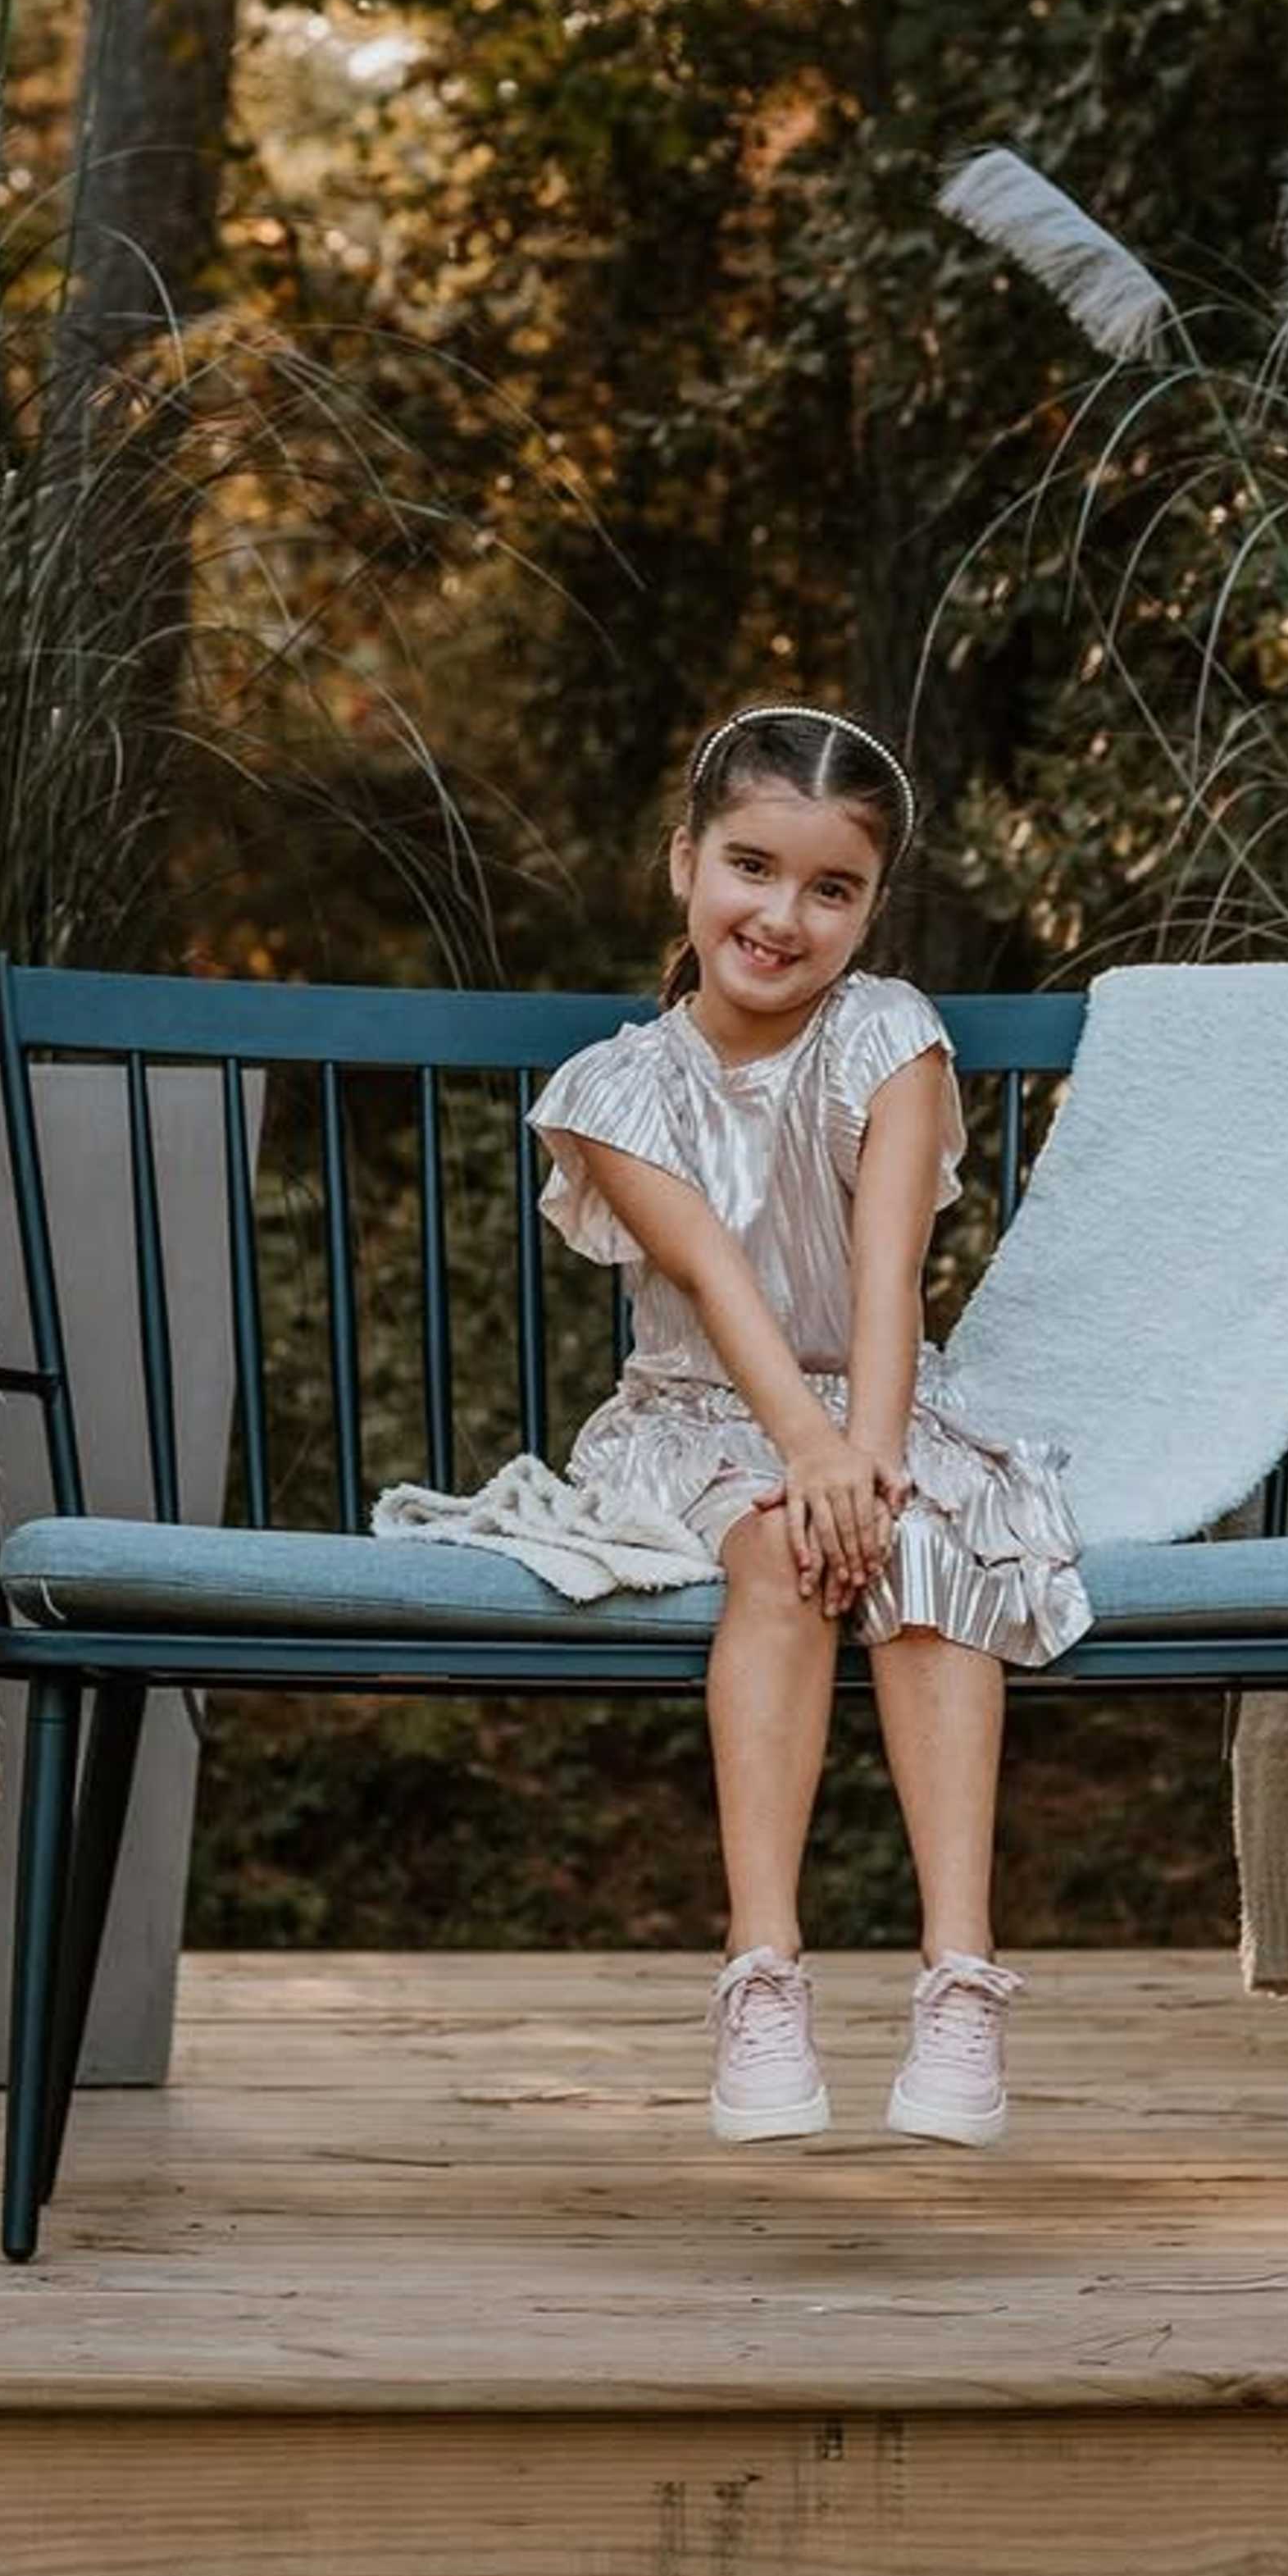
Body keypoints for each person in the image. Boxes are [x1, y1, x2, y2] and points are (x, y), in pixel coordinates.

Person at [528, 701, 1089, 2149]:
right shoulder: (613, 1088)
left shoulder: (889, 1037)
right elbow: (715, 1284)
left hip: (882, 1401)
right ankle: (762, 1971)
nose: (782, 914)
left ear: (870, 906)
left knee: (932, 1546)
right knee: (782, 1547)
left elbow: (891, 1269)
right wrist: (813, 1460)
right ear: (684, 865)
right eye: (751, 867)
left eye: (829, 887)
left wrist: (873, 1458)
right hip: (704, 1412)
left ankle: (959, 1979)